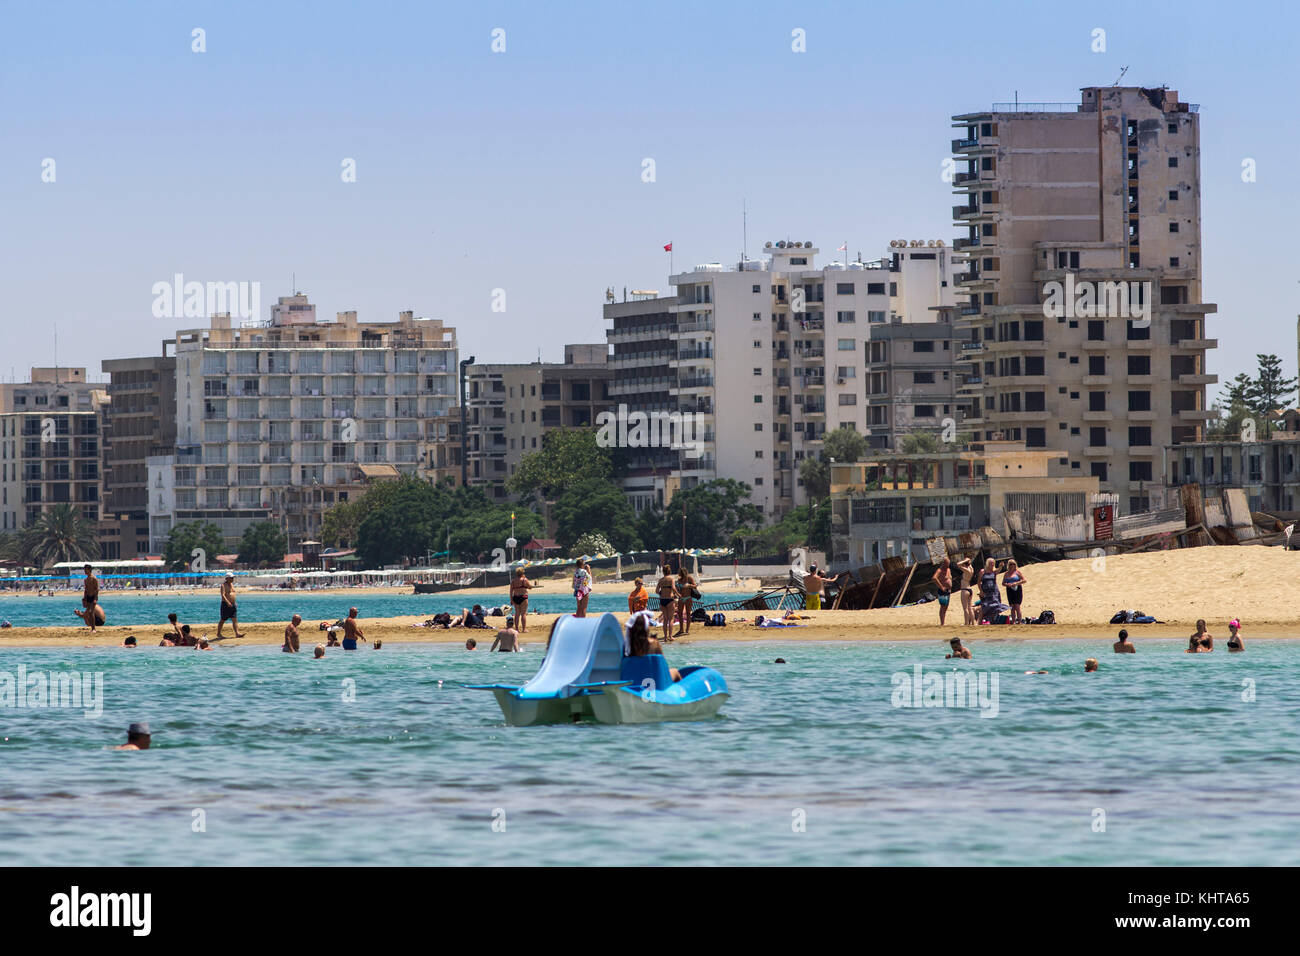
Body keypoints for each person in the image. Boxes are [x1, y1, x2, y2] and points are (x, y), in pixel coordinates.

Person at [625, 614, 680, 682]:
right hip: (653, 680)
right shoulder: (653, 643)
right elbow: (662, 664)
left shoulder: (627, 645)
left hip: (635, 680)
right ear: (646, 628)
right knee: (675, 671)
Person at [73, 564, 104, 631]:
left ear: (89, 570)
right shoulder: (86, 580)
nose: (85, 571)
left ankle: (93, 629)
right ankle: (92, 627)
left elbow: (96, 589)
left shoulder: (94, 578)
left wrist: (95, 598)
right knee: (89, 612)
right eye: (84, 570)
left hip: (93, 597)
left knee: (91, 612)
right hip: (88, 597)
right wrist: (84, 598)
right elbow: (86, 590)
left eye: (86, 570)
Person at [654, 564, 679, 645]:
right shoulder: (671, 579)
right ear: (669, 571)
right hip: (670, 599)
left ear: (663, 572)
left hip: (662, 600)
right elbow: (673, 588)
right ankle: (670, 636)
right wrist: (679, 595)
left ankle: (665, 637)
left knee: (665, 619)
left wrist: (662, 593)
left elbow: (657, 591)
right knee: (671, 619)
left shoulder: (660, 580)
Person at [217, 573, 245, 639]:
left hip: (233, 604)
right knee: (223, 619)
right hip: (225, 605)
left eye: (233, 578)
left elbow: (232, 594)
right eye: (231, 578)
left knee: (234, 619)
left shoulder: (232, 584)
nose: (233, 579)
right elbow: (223, 595)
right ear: (227, 578)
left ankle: (237, 633)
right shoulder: (223, 585)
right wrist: (228, 602)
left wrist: (234, 602)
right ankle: (218, 633)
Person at [509, 569, 535, 633]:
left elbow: (511, 591)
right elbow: (530, 587)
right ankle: (524, 629)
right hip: (523, 597)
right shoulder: (524, 580)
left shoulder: (513, 581)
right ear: (522, 573)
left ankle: (517, 629)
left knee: (517, 614)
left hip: (515, 597)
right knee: (523, 614)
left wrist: (511, 600)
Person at [676, 567, 699, 637]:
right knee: (679, 613)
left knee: (688, 613)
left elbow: (695, 586)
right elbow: (678, 589)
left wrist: (689, 585)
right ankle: (681, 629)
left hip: (688, 597)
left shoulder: (689, 578)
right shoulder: (679, 580)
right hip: (681, 597)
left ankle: (687, 630)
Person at [1002, 560, 1026, 624]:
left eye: (1013, 564)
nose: (1012, 565)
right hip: (1009, 590)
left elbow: (1024, 580)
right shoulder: (1006, 573)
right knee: (1012, 607)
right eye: (1010, 564)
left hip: (1017, 589)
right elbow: (1003, 583)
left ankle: (1019, 621)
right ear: (1008, 565)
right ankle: (1013, 621)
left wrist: (1016, 583)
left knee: (1017, 606)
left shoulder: (1017, 572)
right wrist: (1007, 584)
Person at [931, 557, 953, 626]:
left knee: (946, 606)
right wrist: (941, 586)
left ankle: (943, 621)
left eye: (948, 564)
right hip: (942, 590)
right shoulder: (939, 570)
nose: (947, 566)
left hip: (948, 590)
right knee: (943, 606)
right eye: (946, 564)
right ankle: (942, 623)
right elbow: (934, 578)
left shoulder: (948, 569)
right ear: (943, 564)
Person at [955, 557, 976, 626]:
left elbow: (958, 564)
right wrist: (967, 561)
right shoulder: (971, 569)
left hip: (965, 589)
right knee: (970, 607)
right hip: (969, 589)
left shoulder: (967, 570)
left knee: (965, 608)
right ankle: (973, 622)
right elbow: (969, 564)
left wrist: (964, 561)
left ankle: (966, 623)